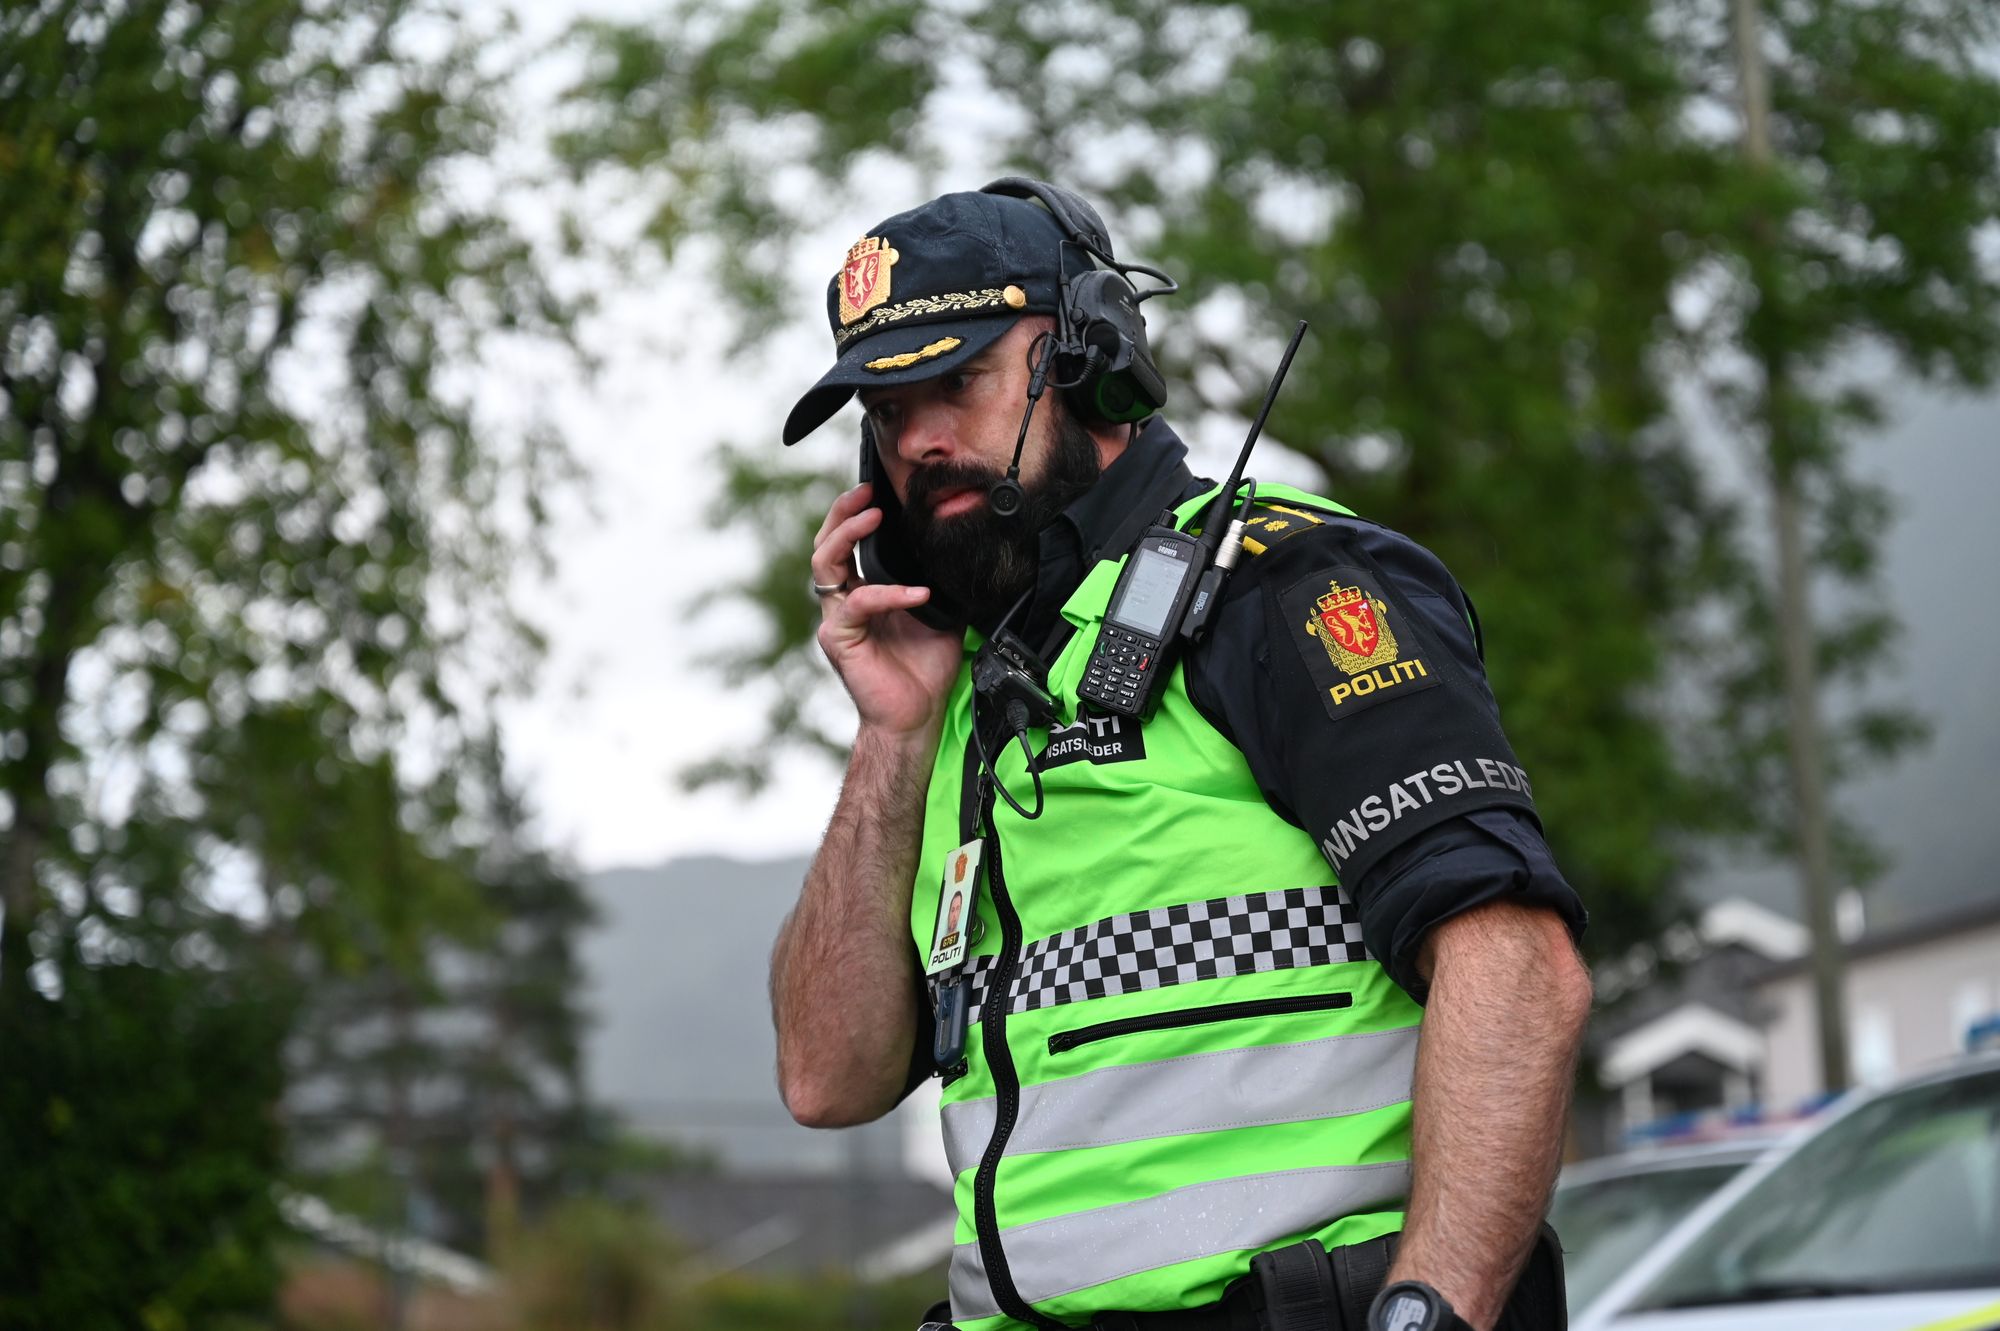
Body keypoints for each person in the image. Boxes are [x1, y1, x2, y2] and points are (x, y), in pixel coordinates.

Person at [769, 180, 1593, 1331]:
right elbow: (828, 1077)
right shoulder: (956, 699)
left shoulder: (1285, 586)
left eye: (955, 381)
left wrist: (1430, 1315)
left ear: (1091, 360)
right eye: (885, 407)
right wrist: (890, 734)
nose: (918, 441)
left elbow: (1514, 965)